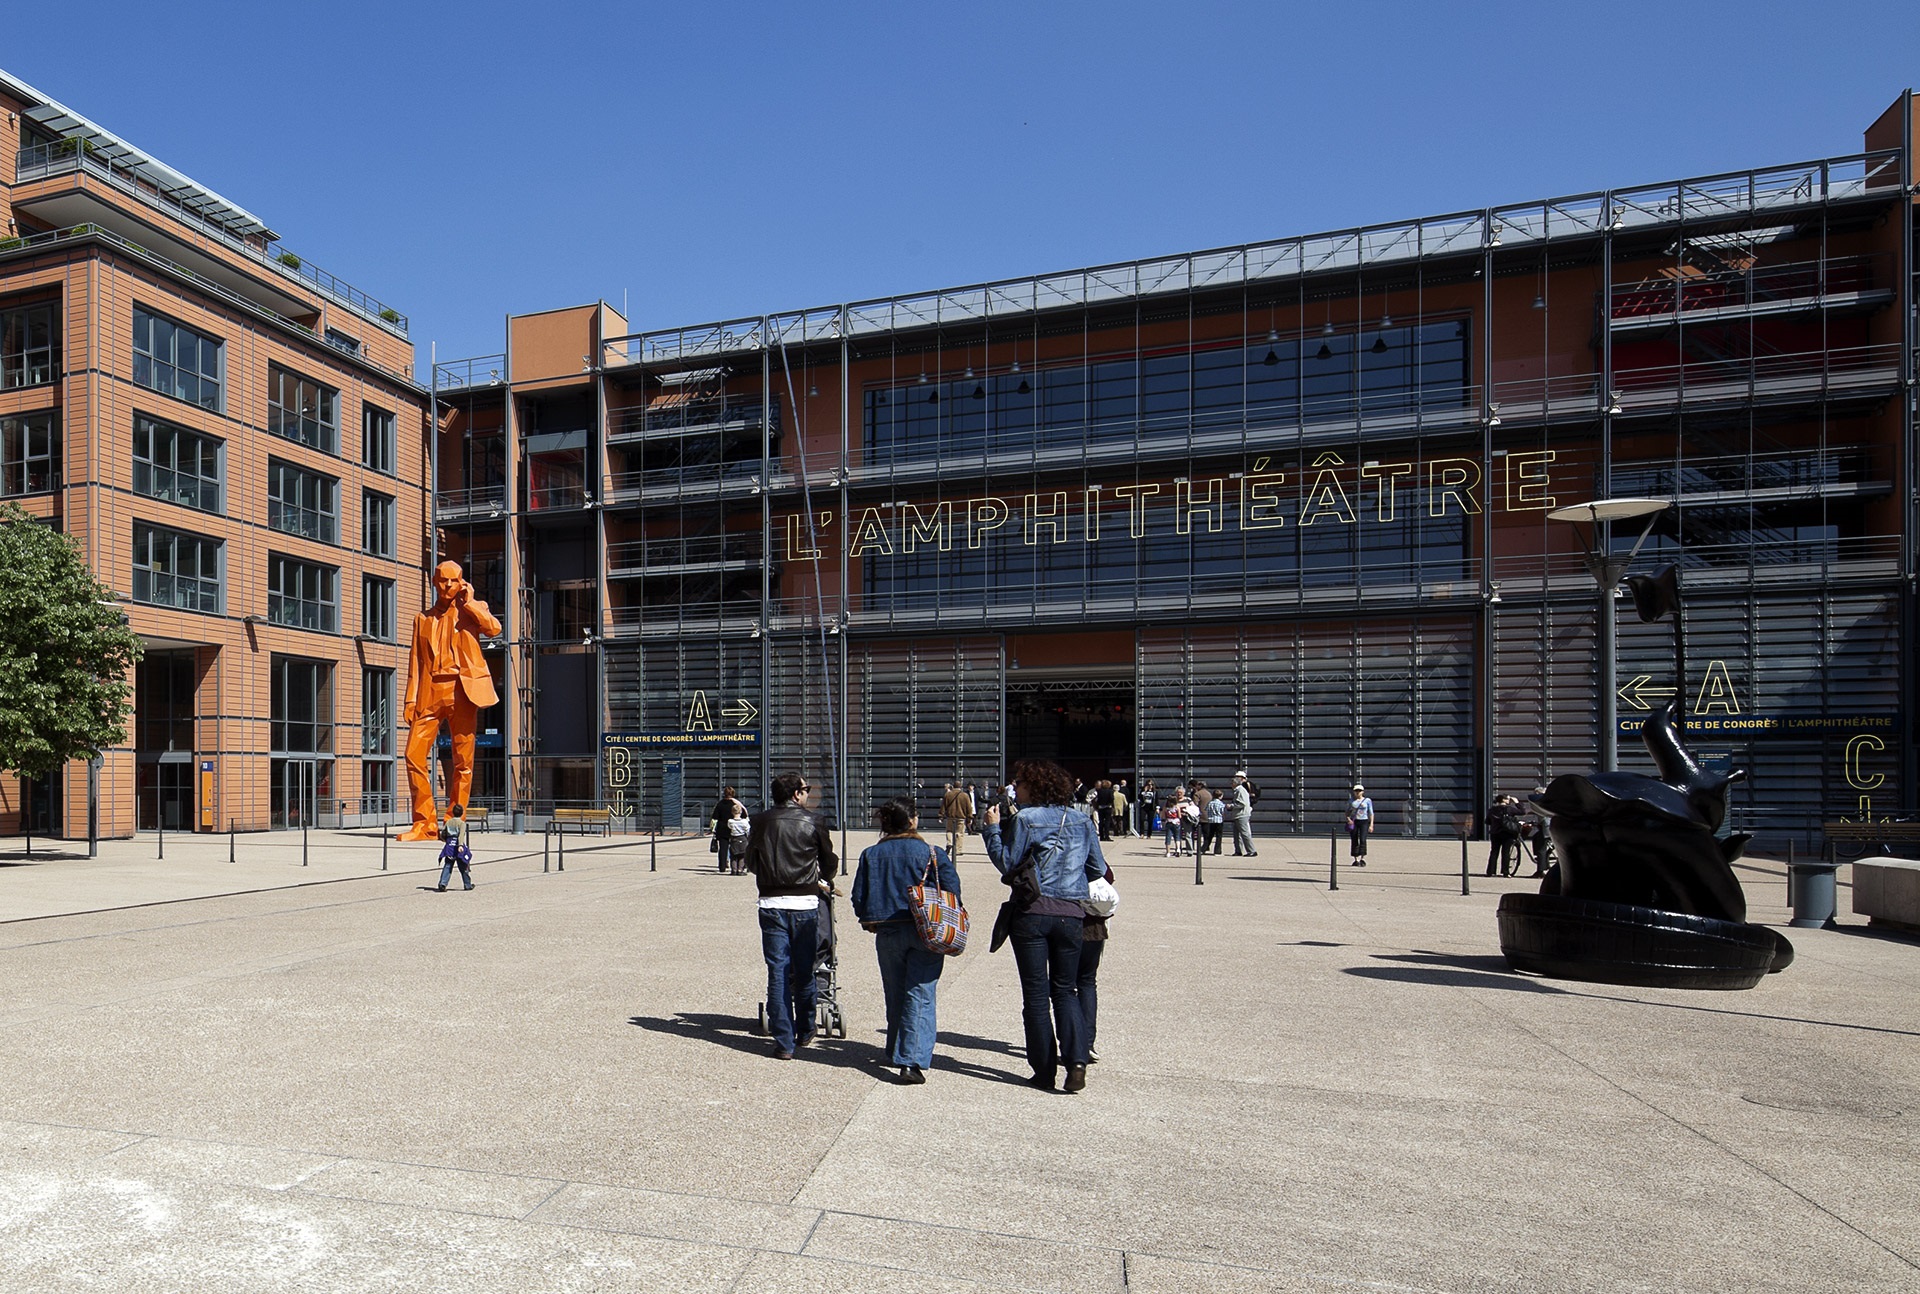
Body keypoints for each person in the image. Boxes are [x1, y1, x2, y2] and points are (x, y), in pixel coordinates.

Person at [982, 758, 1108, 1094]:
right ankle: (1077, 1061)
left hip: (1033, 913)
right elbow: (1098, 868)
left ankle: (1044, 1070)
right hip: (1071, 914)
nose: (1015, 789)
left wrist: (992, 829)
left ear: (1033, 787)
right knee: (1065, 990)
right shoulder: (1081, 820)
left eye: (1020, 784)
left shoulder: (1026, 819)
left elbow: (1006, 863)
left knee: (1036, 996)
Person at [851, 797, 962, 1085]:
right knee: (921, 992)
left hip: (888, 930)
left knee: (895, 991)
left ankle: (894, 1049)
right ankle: (911, 1060)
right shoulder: (932, 852)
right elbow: (953, 891)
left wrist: (869, 918)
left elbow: (859, 897)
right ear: (912, 820)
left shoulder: (870, 854)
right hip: (926, 928)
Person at [398, 561, 502, 842]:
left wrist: (471, 603)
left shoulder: (471, 612)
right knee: (413, 755)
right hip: (430, 690)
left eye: (453, 581)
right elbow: (415, 664)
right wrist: (410, 700)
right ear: (434, 581)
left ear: (461, 583)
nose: (447, 587)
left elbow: (494, 629)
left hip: (462, 690)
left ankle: (453, 822)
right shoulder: (422, 619)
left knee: (463, 762)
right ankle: (424, 824)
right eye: (442, 580)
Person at [744, 772, 839, 1059]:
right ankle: (806, 1027)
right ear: (796, 794)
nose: (808, 793)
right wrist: (823, 878)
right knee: (805, 969)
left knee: (778, 971)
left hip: (771, 903)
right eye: (806, 789)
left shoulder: (759, 821)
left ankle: (784, 1042)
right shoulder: (813, 821)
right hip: (806, 904)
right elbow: (829, 862)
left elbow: (751, 861)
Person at [435, 804, 473, 891]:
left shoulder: (448, 822)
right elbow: (461, 835)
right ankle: (467, 884)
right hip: (457, 845)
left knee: (448, 865)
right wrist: (460, 845)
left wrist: (445, 840)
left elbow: (443, 832)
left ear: (453, 813)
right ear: (462, 813)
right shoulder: (461, 823)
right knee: (463, 866)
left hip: (449, 845)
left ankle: (442, 883)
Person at [711, 785, 745, 874]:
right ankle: (738, 866)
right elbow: (744, 814)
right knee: (736, 848)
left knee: (723, 848)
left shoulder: (720, 804)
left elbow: (715, 817)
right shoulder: (735, 804)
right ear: (733, 793)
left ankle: (722, 866)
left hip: (722, 828)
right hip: (734, 828)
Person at [1486, 794, 1522, 877]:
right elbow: (1522, 811)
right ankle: (1505, 872)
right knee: (1506, 852)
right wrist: (1517, 802)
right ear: (1504, 800)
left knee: (1494, 852)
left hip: (1495, 833)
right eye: (1508, 799)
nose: (1509, 801)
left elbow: (1487, 821)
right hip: (1507, 833)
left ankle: (1491, 871)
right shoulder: (1509, 809)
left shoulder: (1492, 809)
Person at [939, 782, 973, 860]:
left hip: (950, 817)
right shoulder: (965, 795)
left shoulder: (948, 794)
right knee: (959, 833)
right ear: (961, 787)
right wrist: (969, 817)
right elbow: (969, 808)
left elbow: (943, 806)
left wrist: (941, 816)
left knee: (949, 831)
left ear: (953, 786)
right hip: (961, 817)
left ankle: (949, 843)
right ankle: (958, 850)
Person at [1227, 771, 1257, 857]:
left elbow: (1242, 803)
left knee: (1244, 833)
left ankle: (1251, 851)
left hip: (1241, 815)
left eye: (1231, 783)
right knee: (1237, 835)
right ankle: (1238, 850)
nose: (1230, 784)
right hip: (1237, 815)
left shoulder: (1240, 790)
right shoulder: (1237, 790)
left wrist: (1231, 806)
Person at [1346, 784, 1374, 867]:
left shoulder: (1367, 800)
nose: (1358, 792)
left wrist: (1371, 824)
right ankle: (1355, 859)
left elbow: (1371, 812)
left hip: (1364, 821)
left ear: (1363, 792)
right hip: (1354, 821)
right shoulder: (1351, 801)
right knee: (1354, 839)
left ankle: (1362, 858)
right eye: (1356, 791)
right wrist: (1348, 819)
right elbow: (1347, 812)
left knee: (1363, 839)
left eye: (1359, 791)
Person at [725, 801, 751, 875]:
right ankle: (740, 869)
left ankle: (734, 869)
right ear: (741, 812)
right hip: (742, 838)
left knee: (733, 855)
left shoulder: (730, 821)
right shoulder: (744, 822)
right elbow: (748, 829)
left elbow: (729, 827)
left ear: (732, 812)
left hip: (734, 838)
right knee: (742, 855)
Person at [1161, 787, 1189, 857]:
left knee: (1168, 837)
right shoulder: (1177, 807)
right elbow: (1179, 816)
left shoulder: (1165, 808)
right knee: (1177, 837)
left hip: (1168, 822)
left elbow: (1163, 816)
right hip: (1176, 822)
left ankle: (1168, 852)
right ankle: (1178, 849)